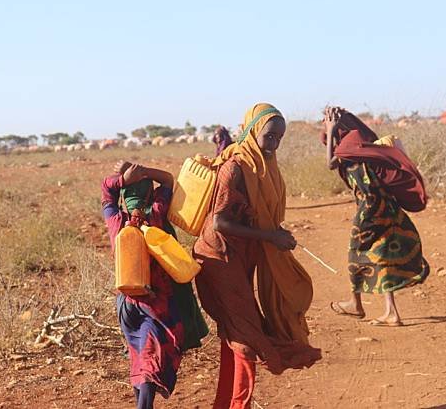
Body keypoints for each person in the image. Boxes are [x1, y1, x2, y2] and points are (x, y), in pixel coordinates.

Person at [193, 103, 321, 409]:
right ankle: (240, 405)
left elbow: (261, 216)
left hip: (241, 258)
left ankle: (226, 404)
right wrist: (269, 236)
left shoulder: (264, 169)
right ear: (252, 132)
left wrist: (276, 234)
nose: (274, 143)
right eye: (270, 136)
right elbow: (220, 222)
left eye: (279, 138)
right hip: (218, 258)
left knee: (235, 331)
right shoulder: (235, 167)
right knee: (247, 338)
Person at [101, 161, 208, 408]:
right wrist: (144, 171)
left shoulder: (115, 221)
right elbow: (169, 181)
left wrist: (122, 180)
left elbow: (106, 192)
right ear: (150, 194)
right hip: (156, 305)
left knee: (139, 358)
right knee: (152, 360)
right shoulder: (156, 218)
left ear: (123, 199)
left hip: (126, 305)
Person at [323, 106, 429, 326]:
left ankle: (356, 304)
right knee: (382, 258)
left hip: (371, 210)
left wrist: (331, 129)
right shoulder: (363, 147)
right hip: (386, 208)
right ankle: (389, 311)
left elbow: (330, 163)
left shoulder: (351, 148)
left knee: (358, 256)